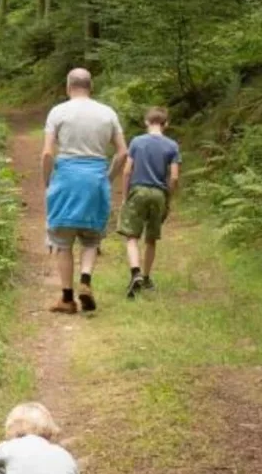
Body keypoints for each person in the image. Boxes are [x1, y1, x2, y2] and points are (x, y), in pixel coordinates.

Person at [41, 68, 127, 313]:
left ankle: (67, 299)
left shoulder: (58, 112)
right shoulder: (107, 113)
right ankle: (86, 281)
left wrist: (47, 182)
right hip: (96, 178)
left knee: (62, 241)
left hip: (66, 179)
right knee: (91, 238)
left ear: (68, 86)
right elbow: (123, 152)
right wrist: (108, 178)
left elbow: (47, 153)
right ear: (91, 87)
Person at [119, 106, 182, 299]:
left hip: (138, 191)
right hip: (158, 194)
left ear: (146, 122)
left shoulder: (137, 142)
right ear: (166, 124)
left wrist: (124, 195)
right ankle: (146, 277)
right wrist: (168, 196)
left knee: (131, 236)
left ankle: (135, 272)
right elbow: (174, 177)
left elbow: (127, 171)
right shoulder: (172, 146)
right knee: (151, 238)